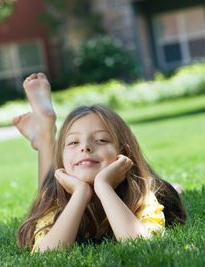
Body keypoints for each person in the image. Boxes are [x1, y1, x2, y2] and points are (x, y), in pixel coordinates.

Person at [14, 73, 187, 253]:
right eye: (73, 142)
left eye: (102, 140)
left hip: (146, 187)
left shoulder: (140, 194)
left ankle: (43, 136)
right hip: (58, 184)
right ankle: (45, 138)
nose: (86, 148)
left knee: (169, 190)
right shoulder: (58, 199)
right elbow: (45, 254)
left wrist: (103, 186)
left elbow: (142, 246)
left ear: (124, 152)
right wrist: (81, 193)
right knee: (48, 190)